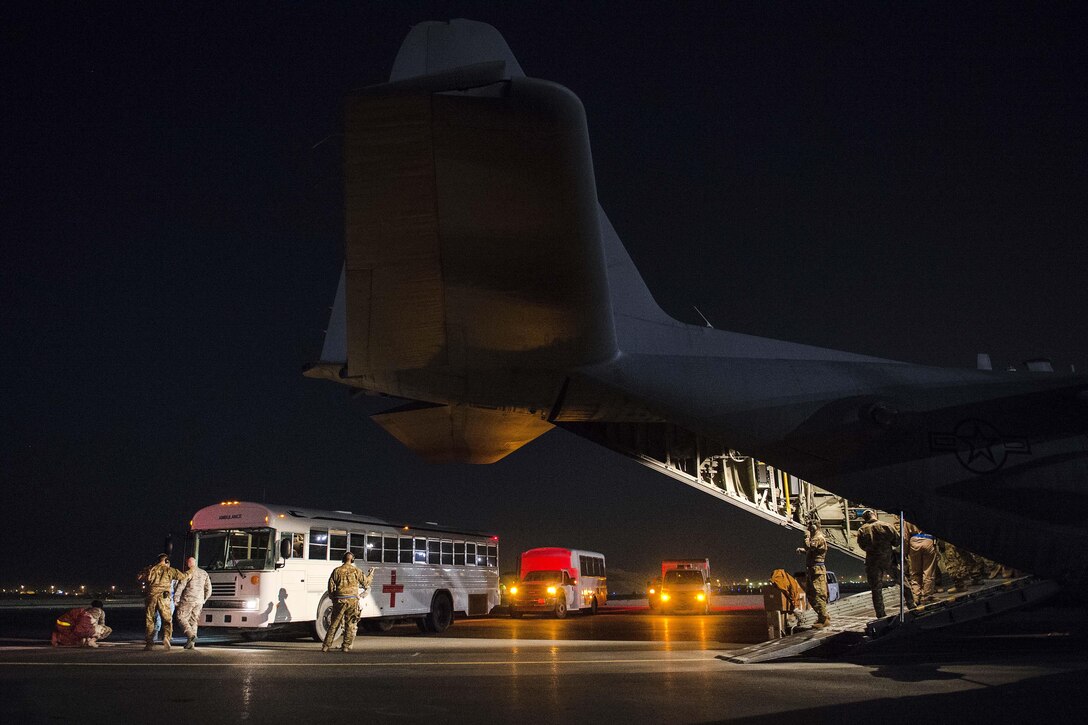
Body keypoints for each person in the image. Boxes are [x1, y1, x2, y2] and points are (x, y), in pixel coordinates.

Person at [322, 552, 375, 653]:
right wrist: (371, 574)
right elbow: (366, 582)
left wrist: (333, 598)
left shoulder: (337, 571)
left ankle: (326, 646)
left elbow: (331, 586)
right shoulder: (356, 571)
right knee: (350, 624)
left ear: (343, 559)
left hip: (339, 600)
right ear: (352, 560)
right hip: (352, 600)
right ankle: (346, 646)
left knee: (334, 624)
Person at [856, 510, 899, 617]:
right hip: (888, 558)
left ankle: (880, 614)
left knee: (876, 589)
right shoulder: (886, 525)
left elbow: (862, 546)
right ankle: (911, 603)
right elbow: (897, 541)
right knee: (902, 580)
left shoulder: (862, 530)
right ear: (874, 515)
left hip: (872, 561)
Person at [141, 554, 189, 651]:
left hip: (151, 597)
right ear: (166, 561)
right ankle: (167, 637)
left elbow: (139, 577)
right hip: (164, 597)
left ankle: (149, 643)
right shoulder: (169, 570)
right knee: (167, 619)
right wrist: (190, 572)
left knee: (150, 619)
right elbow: (182, 576)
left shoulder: (150, 569)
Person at [796, 521, 830, 628]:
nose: (809, 529)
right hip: (812, 569)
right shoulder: (815, 538)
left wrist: (806, 537)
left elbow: (810, 547)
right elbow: (811, 550)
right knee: (810, 594)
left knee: (818, 594)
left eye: (810, 527)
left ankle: (823, 619)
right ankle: (822, 615)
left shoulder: (818, 538)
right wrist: (803, 551)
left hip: (817, 570)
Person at [174, 555, 211, 649]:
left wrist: (176, 599)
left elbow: (180, 586)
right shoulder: (204, 573)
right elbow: (209, 589)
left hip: (188, 599)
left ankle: (190, 635)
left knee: (180, 617)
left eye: (187, 563)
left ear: (189, 563)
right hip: (199, 601)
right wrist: (204, 599)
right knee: (193, 621)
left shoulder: (188, 573)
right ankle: (191, 644)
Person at [905, 522, 937, 605]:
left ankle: (916, 596)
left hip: (914, 543)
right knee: (928, 570)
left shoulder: (907, 517)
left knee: (915, 571)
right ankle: (927, 595)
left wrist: (905, 551)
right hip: (928, 541)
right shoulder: (927, 513)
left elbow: (905, 535)